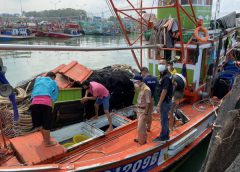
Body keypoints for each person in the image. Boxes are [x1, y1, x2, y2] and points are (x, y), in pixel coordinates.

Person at [30, 72, 59, 147]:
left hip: (34, 103)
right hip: (45, 104)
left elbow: (34, 91)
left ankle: (45, 139)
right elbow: (55, 97)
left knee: (39, 124)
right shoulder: (53, 82)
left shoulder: (38, 79)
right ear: (52, 77)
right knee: (47, 124)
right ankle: (48, 142)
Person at [153, 59, 173, 143]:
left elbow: (164, 91)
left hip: (165, 102)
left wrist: (158, 104)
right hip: (167, 101)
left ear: (166, 65)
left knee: (164, 119)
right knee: (164, 118)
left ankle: (164, 136)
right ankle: (166, 134)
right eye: (159, 63)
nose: (160, 65)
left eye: (162, 63)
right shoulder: (164, 75)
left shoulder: (166, 77)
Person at [132, 75, 151, 145]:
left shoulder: (146, 90)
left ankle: (142, 142)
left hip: (143, 111)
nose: (135, 83)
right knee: (142, 127)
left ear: (139, 81)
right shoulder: (140, 87)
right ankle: (141, 138)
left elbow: (148, 102)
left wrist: (146, 113)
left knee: (140, 128)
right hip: (139, 110)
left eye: (135, 82)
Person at [140, 67, 157, 132]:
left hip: (145, 100)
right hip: (152, 98)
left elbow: (142, 89)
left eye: (141, 73)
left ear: (144, 71)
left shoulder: (144, 80)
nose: (142, 74)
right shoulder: (155, 78)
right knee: (150, 114)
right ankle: (149, 127)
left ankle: (143, 129)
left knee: (144, 114)